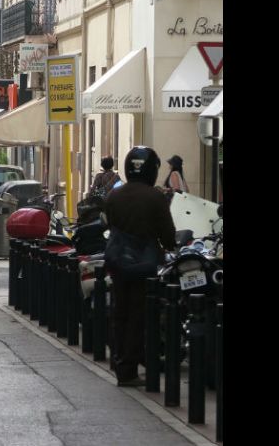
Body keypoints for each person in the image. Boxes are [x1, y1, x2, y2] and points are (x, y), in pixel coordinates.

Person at [105, 146, 176, 387]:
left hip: (117, 260)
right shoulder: (154, 196)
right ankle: (129, 369)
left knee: (119, 313)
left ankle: (118, 361)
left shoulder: (115, 195)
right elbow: (167, 235)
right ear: (151, 170)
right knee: (138, 317)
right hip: (144, 264)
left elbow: (111, 223)